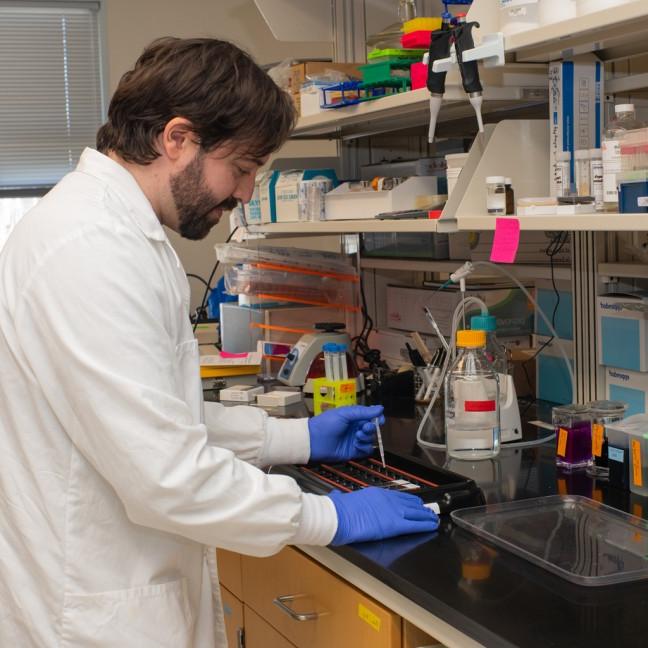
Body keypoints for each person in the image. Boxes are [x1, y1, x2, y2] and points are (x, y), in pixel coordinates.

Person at [0, 37, 438, 647]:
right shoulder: (91, 248)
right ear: (177, 140)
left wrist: (294, 438)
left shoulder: (108, 230)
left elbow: (151, 417)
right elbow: (166, 473)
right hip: (92, 615)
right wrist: (328, 515)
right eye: (242, 167)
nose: (246, 193)